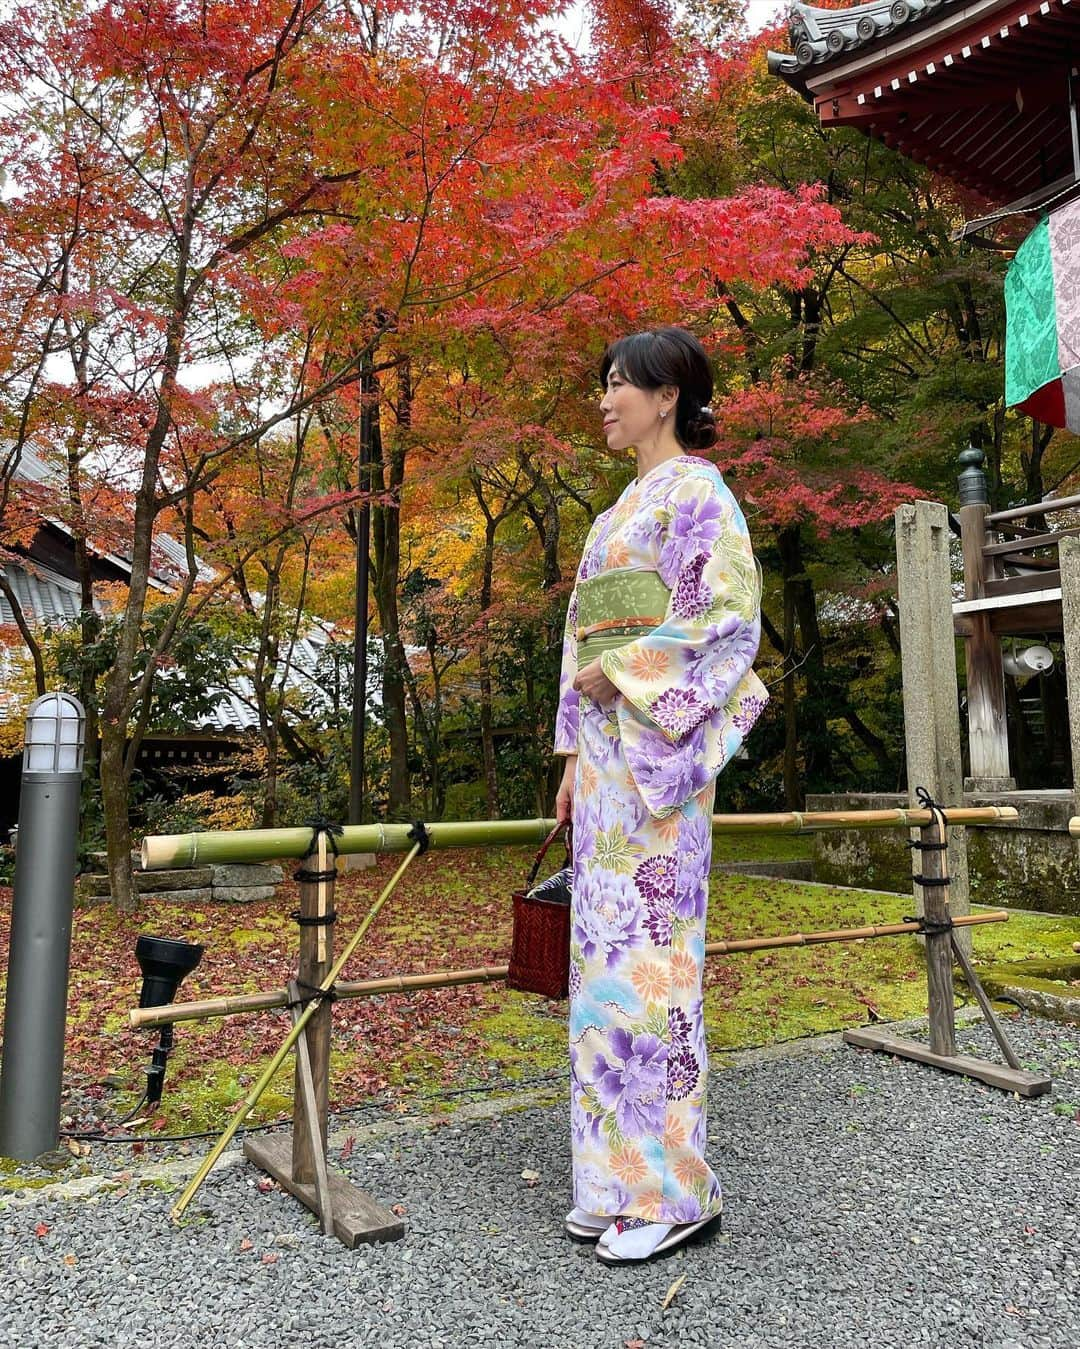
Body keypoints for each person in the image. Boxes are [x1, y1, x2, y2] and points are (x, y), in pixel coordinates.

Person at [552, 327, 768, 1264]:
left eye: (617, 384)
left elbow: (726, 618)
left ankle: (675, 1193)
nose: (604, 399)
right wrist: (569, 755)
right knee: (601, 980)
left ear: (667, 393)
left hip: (657, 761)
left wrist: (629, 673)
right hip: (605, 772)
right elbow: (577, 643)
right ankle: (609, 1184)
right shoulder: (614, 515)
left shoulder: (699, 494)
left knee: (655, 974)